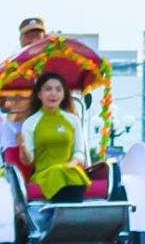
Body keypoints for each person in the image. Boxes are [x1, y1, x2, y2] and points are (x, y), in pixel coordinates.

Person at [18, 72, 91, 203]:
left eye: (58, 89)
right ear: (39, 94)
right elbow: (28, 160)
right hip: (44, 175)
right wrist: (23, 147)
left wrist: (71, 165)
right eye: (48, 89)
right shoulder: (30, 123)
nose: (53, 94)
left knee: (70, 174)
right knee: (59, 173)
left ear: (63, 95)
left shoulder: (73, 120)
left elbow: (80, 153)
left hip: (71, 170)